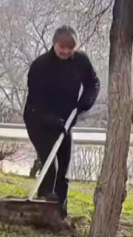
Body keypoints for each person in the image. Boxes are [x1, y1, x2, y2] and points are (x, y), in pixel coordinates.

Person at [23, 25, 100, 219]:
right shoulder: (40, 66)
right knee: (51, 165)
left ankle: (59, 213)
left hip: (66, 119)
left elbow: (93, 83)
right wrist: (51, 119)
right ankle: (42, 210)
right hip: (38, 120)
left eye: (70, 48)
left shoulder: (81, 61)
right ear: (54, 44)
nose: (65, 51)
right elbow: (36, 100)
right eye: (62, 47)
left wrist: (85, 103)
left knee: (64, 169)